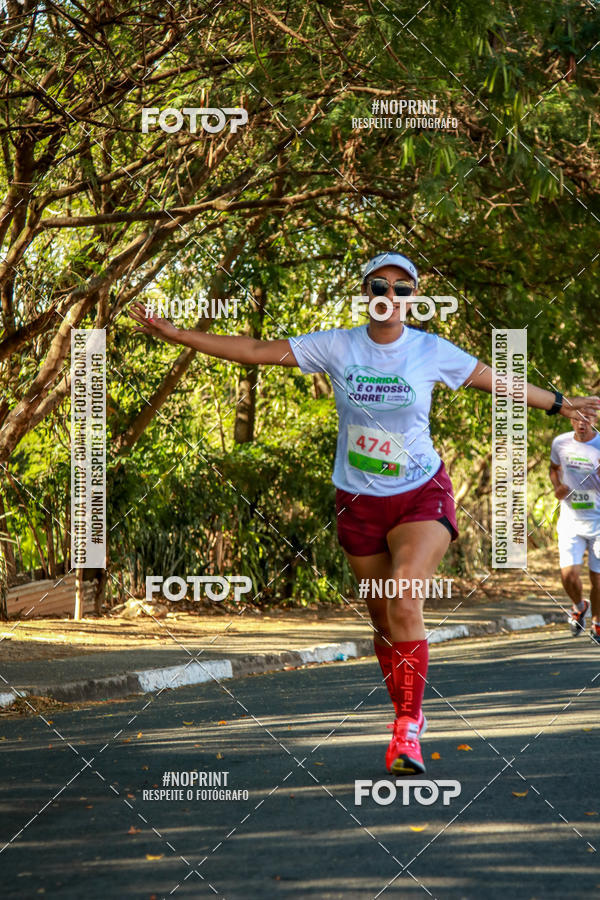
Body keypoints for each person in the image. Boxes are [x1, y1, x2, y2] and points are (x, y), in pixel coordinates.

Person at [129, 251, 600, 775]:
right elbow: (256, 351)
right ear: (366, 293)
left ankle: (408, 727)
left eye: (402, 288)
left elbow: (498, 381)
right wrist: (177, 334)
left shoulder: (430, 350)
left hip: (421, 494)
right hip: (358, 504)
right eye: (380, 286)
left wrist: (562, 403)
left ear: (415, 298)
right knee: (383, 621)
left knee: (403, 596)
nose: (390, 296)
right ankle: (403, 713)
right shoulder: (338, 345)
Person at [549, 415, 600, 643]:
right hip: (571, 520)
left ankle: (597, 623)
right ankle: (580, 607)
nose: (582, 423)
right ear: (571, 420)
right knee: (568, 576)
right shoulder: (560, 443)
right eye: (577, 418)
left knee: (597, 579)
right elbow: (553, 468)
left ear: (594, 419)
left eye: (587, 419)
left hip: (598, 521)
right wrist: (557, 487)